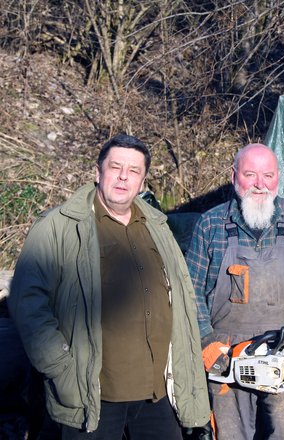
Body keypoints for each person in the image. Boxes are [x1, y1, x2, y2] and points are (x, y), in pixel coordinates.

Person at [8, 134, 210, 439]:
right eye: (116, 167)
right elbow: (28, 303)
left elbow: (181, 302)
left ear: (143, 182)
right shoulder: (60, 226)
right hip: (92, 394)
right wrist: (61, 366)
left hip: (158, 395)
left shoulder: (157, 227)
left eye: (134, 171)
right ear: (98, 171)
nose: (124, 177)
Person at [186, 143, 284, 440]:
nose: (260, 184)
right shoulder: (211, 224)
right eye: (250, 174)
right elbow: (189, 291)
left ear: (279, 177)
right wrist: (206, 340)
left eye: (268, 175)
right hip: (227, 359)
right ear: (233, 176)